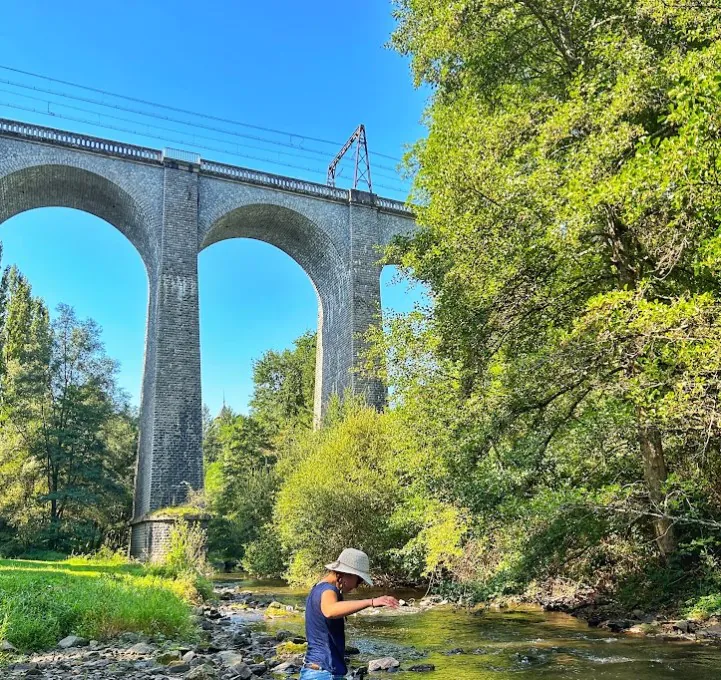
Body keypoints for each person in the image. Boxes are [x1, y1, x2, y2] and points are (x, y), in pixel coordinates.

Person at [300, 548, 399, 679]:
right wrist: (371, 602)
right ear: (347, 574)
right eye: (359, 580)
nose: (357, 586)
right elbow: (330, 611)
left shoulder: (318, 588)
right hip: (324, 673)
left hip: (314, 670)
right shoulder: (328, 590)